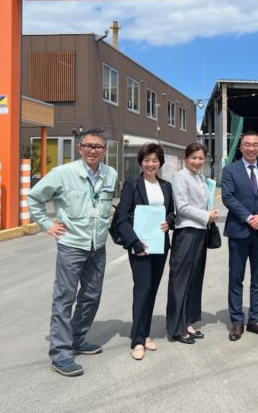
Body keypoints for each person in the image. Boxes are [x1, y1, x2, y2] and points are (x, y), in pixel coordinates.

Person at [27, 128, 118, 377]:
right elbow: (34, 197)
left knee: (91, 296)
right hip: (72, 245)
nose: (92, 150)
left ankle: (77, 338)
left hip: (97, 245)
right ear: (79, 148)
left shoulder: (110, 174)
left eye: (98, 146)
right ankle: (60, 354)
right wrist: (47, 224)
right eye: (88, 145)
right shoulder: (63, 173)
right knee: (64, 298)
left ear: (104, 150)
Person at [113, 143, 175, 360]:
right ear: (141, 162)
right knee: (142, 289)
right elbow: (122, 219)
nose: (150, 164)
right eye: (147, 160)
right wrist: (135, 243)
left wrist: (168, 222)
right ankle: (137, 340)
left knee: (152, 289)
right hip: (139, 246)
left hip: (159, 245)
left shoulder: (166, 186)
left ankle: (146, 333)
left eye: (155, 160)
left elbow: (171, 213)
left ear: (160, 163)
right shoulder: (132, 185)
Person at [221, 131, 258, 341]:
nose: (251, 148)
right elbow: (228, 197)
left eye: (255, 145)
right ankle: (237, 321)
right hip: (239, 231)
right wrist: (247, 217)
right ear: (241, 147)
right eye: (247, 144)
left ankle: (254, 319)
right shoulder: (230, 170)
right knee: (236, 277)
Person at [167, 142, 218, 344]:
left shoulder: (201, 178)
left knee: (194, 280)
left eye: (200, 158)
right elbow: (182, 207)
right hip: (186, 232)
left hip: (200, 232)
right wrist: (207, 216)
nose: (197, 161)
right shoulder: (180, 177)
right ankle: (176, 327)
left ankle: (188, 321)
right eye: (193, 157)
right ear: (186, 158)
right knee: (180, 281)